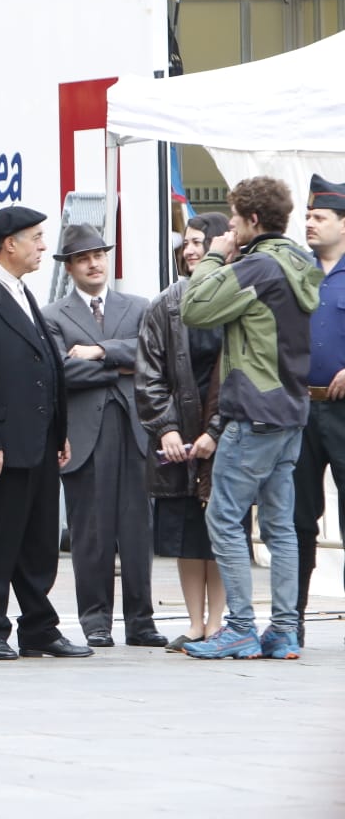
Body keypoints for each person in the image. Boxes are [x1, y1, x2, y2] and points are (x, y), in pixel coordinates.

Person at [180, 176, 322, 660]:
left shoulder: (259, 267)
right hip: (290, 412)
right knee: (280, 527)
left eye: (235, 217)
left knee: (224, 518)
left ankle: (239, 626)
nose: (231, 225)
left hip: (253, 414)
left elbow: (194, 308)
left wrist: (217, 256)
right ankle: (283, 630)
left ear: (253, 220)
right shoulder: (300, 261)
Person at [0, 205, 91, 661]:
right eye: (36, 238)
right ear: (10, 244)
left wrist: (59, 430)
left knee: (38, 543)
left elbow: (43, 366)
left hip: (38, 441)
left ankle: (39, 628)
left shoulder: (20, 291)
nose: (43, 246)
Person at [42, 225, 164, 648]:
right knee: (89, 530)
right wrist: (121, 364)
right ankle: (95, 619)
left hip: (134, 429)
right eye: (83, 258)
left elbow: (151, 356)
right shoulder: (53, 314)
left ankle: (141, 620)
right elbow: (60, 372)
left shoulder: (139, 305)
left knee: (137, 528)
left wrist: (99, 351)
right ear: (70, 267)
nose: (94, 263)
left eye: (99, 254)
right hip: (83, 433)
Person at [135, 211, 231, 651]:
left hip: (227, 432)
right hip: (178, 439)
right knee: (187, 534)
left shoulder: (239, 297)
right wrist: (166, 429)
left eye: (200, 242)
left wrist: (217, 429)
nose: (191, 250)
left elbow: (243, 374)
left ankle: (219, 622)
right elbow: (148, 375)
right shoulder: (165, 304)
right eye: (187, 243)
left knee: (223, 531)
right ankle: (195, 622)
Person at [293, 176, 345, 639]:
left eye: (319, 217)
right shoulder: (296, 271)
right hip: (300, 411)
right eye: (307, 216)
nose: (309, 224)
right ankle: (292, 621)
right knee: (296, 519)